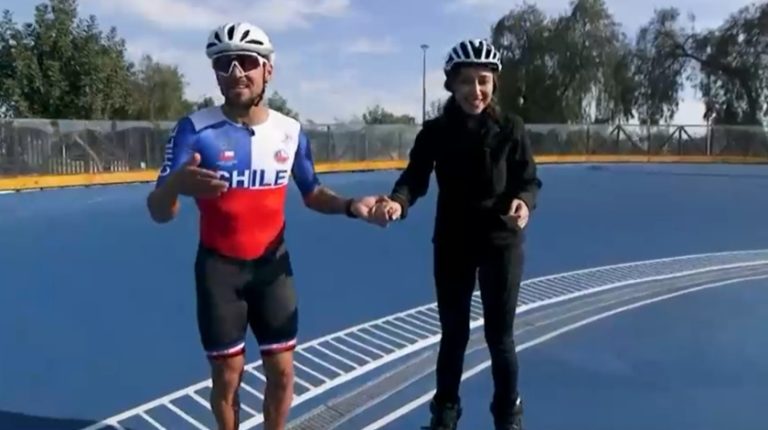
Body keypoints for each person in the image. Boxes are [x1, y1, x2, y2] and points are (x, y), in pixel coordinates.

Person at [146, 21, 384, 430]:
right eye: (224, 64)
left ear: (267, 69)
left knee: (283, 373)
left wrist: (350, 205)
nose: (235, 72)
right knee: (227, 377)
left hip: (273, 268)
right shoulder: (193, 130)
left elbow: (312, 193)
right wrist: (174, 185)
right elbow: (159, 211)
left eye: (246, 61)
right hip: (219, 270)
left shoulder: (290, 132)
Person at [370, 39, 542, 430]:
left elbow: (528, 180)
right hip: (453, 243)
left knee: (500, 337)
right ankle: (444, 417)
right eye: (466, 81)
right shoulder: (436, 131)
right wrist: (398, 202)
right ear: (451, 84)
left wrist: (524, 202)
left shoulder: (511, 128)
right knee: (453, 335)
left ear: (494, 83)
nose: (475, 90)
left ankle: (508, 417)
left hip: (501, 243)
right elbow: (414, 178)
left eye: (483, 81)